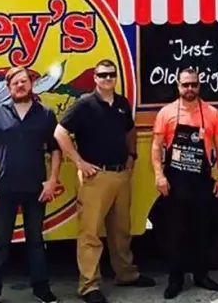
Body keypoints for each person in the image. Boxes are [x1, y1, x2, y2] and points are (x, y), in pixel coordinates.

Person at [54, 59, 156, 303]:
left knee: (121, 231)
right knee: (90, 234)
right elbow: (59, 133)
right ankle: (88, 286)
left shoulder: (121, 103)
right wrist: (79, 163)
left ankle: (126, 274)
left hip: (121, 174)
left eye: (111, 75)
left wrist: (132, 156)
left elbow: (130, 130)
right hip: (95, 177)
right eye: (102, 75)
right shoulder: (84, 105)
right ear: (95, 79)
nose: (108, 79)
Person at [0, 66, 63, 303]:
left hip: (36, 188)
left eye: (24, 81)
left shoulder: (45, 114)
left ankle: (41, 289)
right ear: (8, 87)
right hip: (4, 189)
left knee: (36, 241)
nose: (20, 85)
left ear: (31, 84)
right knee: (0, 243)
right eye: (15, 83)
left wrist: (53, 180)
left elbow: (56, 149)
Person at [151, 67, 218, 299]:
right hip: (175, 179)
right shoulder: (166, 113)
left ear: (199, 85)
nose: (190, 89)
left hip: (201, 179)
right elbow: (156, 146)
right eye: (185, 84)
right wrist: (159, 175)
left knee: (201, 229)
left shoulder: (211, 112)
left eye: (193, 84)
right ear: (178, 86)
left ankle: (201, 275)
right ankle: (176, 279)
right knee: (175, 231)